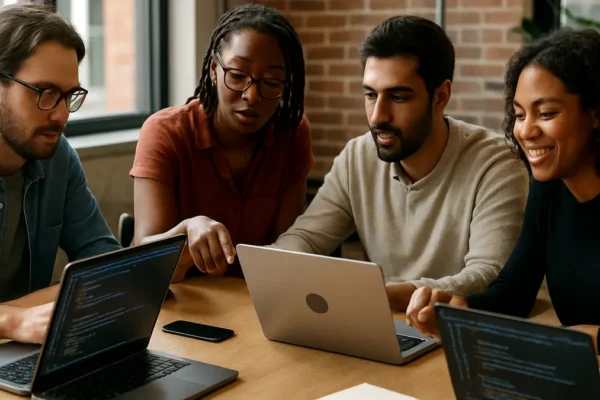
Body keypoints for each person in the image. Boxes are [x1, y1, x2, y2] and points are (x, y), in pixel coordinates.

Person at [271, 16, 530, 311]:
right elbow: (306, 236)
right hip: (382, 323)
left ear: (441, 96)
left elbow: (488, 275)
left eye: (397, 96)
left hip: (458, 331)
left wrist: (388, 294)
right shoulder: (357, 157)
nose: (377, 116)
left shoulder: (496, 165)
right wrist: (274, 267)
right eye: (370, 95)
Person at [406, 28, 600, 352]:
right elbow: (515, 292)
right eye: (520, 114)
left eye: (547, 113)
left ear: (595, 113)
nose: (525, 130)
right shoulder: (549, 188)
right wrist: (458, 310)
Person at [131, 4, 312, 282]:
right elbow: (142, 260)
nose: (252, 96)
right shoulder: (165, 132)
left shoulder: (292, 134)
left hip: (258, 301)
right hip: (181, 302)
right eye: (238, 76)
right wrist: (185, 232)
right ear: (214, 70)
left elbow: (285, 250)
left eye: (272, 82)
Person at [0, 4, 120, 343]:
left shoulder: (57, 156)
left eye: (69, 96)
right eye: (45, 93)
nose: (61, 115)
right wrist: (12, 321)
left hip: (28, 353)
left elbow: (103, 263)